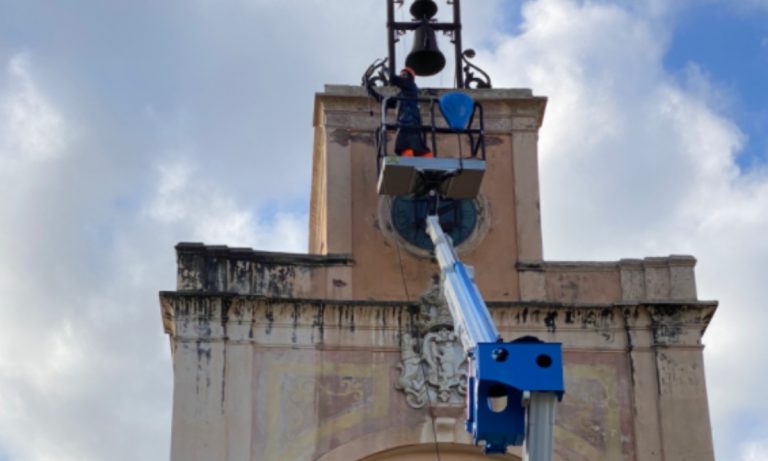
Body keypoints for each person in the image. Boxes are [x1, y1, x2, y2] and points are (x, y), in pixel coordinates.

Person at [366, 67, 433, 157]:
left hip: (407, 120)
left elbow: (393, 78)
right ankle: (425, 156)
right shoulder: (402, 94)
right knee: (416, 143)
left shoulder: (410, 85)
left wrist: (386, 71)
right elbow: (386, 101)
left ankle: (410, 157)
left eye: (404, 75)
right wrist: (371, 91)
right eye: (401, 75)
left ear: (410, 77)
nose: (401, 77)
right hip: (409, 121)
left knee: (403, 143)